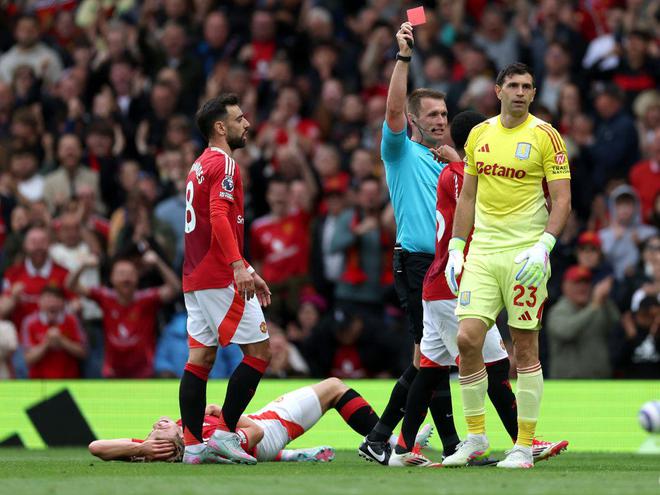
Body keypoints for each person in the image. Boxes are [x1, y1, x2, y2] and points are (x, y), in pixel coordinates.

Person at [389, 111, 567, 467]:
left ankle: (399, 446)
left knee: (429, 368)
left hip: (438, 278)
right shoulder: (461, 174)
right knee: (493, 364)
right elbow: (473, 194)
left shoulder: (451, 172)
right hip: (457, 278)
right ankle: (519, 441)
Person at [443, 63, 572, 469]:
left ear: (533, 93)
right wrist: (456, 247)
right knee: (467, 339)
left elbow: (563, 199)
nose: (519, 92)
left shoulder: (546, 136)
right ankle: (476, 437)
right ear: (498, 90)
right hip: (483, 252)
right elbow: (467, 197)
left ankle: (524, 445)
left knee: (524, 346)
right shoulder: (479, 134)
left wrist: (544, 246)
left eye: (527, 87)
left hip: (524, 255)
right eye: (513, 85)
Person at [359, 20, 456, 465]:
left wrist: (459, 163)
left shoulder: (448, 164)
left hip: (444, 266)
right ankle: (380, 437)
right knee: (427, 358)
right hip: (416, 262)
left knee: (436, 357)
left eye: (444, 114)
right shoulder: (400, 151)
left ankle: (450, 445)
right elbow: (393, 109)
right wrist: (403, 58)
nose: (441, 121)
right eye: (433, 115)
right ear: (414, 120)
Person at [179, 94, 272, 466]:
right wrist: (236, 266)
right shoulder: (225, 163)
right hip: (218, 274)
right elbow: (218, 216)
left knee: (200, 358)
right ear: (220, 127)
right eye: (239, 118)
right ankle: (223, 434)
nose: (247, 124)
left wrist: (248, 267)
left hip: (195, 275)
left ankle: (192, 447)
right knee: (260, 352)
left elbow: (212, 225)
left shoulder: (199, 165)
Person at [88, 378, 433, 463]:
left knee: (332, 390)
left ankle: (393, 443)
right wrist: (223, 414)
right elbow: (253, 433)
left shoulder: (173, 438)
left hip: (263, 428)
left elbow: (96, 447)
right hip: (270, 427)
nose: (160, 422)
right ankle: (390, 443)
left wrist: (142, 447)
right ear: (169, 442)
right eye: (159, 429)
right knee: (333, 388)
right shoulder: (203, 439)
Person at [67, 250, 180, 378]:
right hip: (113, 372)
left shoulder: (147, 299)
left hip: (143, 373)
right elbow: (71, 285)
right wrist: (83, 265)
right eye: (121, 274)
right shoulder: (105, 297)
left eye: (130, 274)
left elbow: (175, 288)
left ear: (137, 277)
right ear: (112, 278)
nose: (126, 279)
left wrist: (158, 262)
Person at [546, 266, 619, 378]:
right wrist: (594, 306)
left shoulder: (599, 307)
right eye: (577, 283)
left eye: (586, 283)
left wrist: (605, 299)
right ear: (565, 286)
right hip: (567, 383)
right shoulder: (558, 311)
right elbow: (567, 332)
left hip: (600, 381)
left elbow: (617, 326)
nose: (582, 287)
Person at [22, 286, 87, 379]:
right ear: (39, 302)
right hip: (39, 381)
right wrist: (47, 343)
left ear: (63, 302)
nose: (52, 303)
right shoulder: (29, 322)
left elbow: (83, 353)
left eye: (56, 299)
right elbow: (28, 359)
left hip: (69, 380)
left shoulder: (72, 320)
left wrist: (62, 340)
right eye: (48, 299)